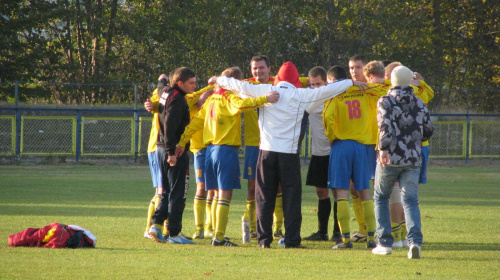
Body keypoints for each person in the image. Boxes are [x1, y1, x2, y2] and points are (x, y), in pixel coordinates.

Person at [210, 61, 365, 248]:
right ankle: (292, 239)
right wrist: (351, 83)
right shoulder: (302, 95)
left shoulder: (265, 90)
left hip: (266, 152)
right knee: (291, 198)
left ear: (278, 77)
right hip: (289, 155)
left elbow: (240, 85)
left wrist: (219, 79)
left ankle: (263, 239)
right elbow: (327, 90)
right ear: (295, 79)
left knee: (264, 197)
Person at [176, 67, 279, 246]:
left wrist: (181, 142)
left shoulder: (210, 100)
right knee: (224, 194)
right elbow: (241, 105)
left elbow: (194, 123)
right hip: (225, 151)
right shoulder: (229, 96)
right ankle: (219, 237)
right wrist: (265, 99)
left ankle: (215, 233)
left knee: (215, 194)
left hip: (209, 151)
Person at [371, 66, 434, 259]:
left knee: (381, 197)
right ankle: (414, 241)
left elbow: (384, 126)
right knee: (410, 200)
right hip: (413, 158)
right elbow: (429, 130)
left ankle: (384, 242)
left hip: (390, 157)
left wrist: (383, 149)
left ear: (392, 80)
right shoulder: (419, 102)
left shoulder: (386, 100)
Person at [322, 65, 384, 250]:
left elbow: (328, 118)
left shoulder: (334, 93)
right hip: (361, 146)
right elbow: (387, 86)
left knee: (341, 192)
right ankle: (371, 237)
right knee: (364, 190)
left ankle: (346, 240)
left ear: (332, 81)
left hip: (341, 145)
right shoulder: (364, 89)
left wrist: (332, 138)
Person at [147, 67, 197, 244]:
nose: (194, 86)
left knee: (167, 191)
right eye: (191, 83)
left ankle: (156, 225)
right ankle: (175, 234)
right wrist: (172, 153)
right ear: (180, 83)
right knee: (178, 193)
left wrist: (161, 80)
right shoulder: (178, 99)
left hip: (160, 148)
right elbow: (169, 126)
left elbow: (161, 86)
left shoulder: (165, 91)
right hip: (173, 150)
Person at [242, 55, 284, 239]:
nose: (258, 71)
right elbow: (223, 84)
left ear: (269, 69)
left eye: (261, 68)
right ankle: (253, 227)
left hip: (275, 142)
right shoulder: (246, 85)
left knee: (279, 186)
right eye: (254, 68)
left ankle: (278, 228)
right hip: (254, 144)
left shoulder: (279, 83)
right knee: (252, 187)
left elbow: (303, 80)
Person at [302, 66, 340, 242]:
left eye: (319, 84)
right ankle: (322, 232)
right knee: (321, 191)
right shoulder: (309, 99)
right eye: (312, 84)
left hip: (336, 151)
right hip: (318, 153)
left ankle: (338, 232)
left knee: (338, 192)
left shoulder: (334, 97)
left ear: (327, 82)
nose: (316, 88)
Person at [347, 54, 371, 243]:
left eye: (357, 67)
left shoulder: (375, 87)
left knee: (376, 189)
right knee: (353, 187)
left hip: (373, 144)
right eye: (351, 68)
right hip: (356, 145)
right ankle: (364, 228)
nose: (354, 71)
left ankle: (382, 229)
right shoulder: (347, 87)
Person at [143, 73, 168, 239]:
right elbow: (152, 102)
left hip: (161, 147)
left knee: (164, 191)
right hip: (157, 147)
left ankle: (162, 229)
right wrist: (161, 82)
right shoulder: (161, 95)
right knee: (161, 190)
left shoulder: (166, 95)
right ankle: (151, 228)